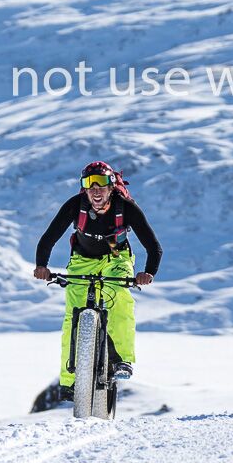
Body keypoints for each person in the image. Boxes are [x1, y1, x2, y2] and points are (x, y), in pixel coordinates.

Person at [34, 161, 161, 400]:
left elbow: (154, 247)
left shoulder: (126, 208)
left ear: (111, 186)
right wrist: (42, 266)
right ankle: (70, 381)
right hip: (83, 256)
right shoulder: (75, 206)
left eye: (101, 183)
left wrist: (148, 272)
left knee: (118, 297)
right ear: (83, 188)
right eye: (89, 184)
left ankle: (122, 360)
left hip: (115, 252)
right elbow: (48, 238)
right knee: (72, 316)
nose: (95, 189)